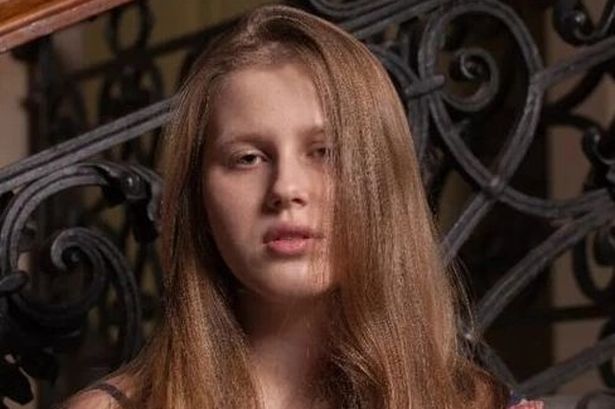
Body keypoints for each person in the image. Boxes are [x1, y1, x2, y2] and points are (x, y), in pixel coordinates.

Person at [62, 4, 543, 409]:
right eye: (247, 158)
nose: (287, 188)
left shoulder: (470, 401)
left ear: (381, 182)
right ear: (197, 197)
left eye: (325, 152)